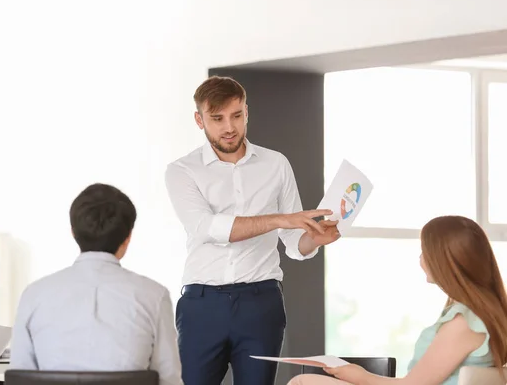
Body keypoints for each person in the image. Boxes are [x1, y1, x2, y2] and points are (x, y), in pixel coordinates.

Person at [165, 76, 340, 385]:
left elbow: (292, 242)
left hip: (261, 303)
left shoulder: (276, 164)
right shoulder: (182, 171)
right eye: (217, 118)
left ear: (247, 112)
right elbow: (207, 228)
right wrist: (279, 220)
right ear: (199, 119)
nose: (229, 127)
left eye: (236, 115)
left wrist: (314, 238)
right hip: (202, 305)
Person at [288, 215, 507, 385]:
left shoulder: (464, 322)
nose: (420, 259)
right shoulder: (481, 314)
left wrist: (360, 376)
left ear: (443, 261)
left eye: (424, 252)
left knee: (303, 382)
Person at [10, 183, 182, 385]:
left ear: (73, 232)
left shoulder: (34, 295)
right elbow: (169, 379)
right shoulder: (154, 295)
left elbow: (20, 376)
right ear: (128, 237)